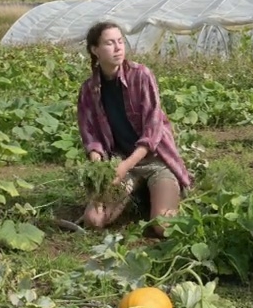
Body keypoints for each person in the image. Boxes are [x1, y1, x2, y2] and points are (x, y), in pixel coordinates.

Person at [76, 21, 193, 237]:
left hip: (156, 161)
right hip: (120, 163)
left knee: (162, 227)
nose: (118, 48)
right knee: (94, 220)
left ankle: (156, 191)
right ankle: (134, 192)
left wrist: (125, 166)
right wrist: (100, 170)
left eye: (120, 41)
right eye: (110, 43)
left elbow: (153, 132)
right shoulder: (88, 90)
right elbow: (91, 137)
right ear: (95, 50)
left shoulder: (141, 76)